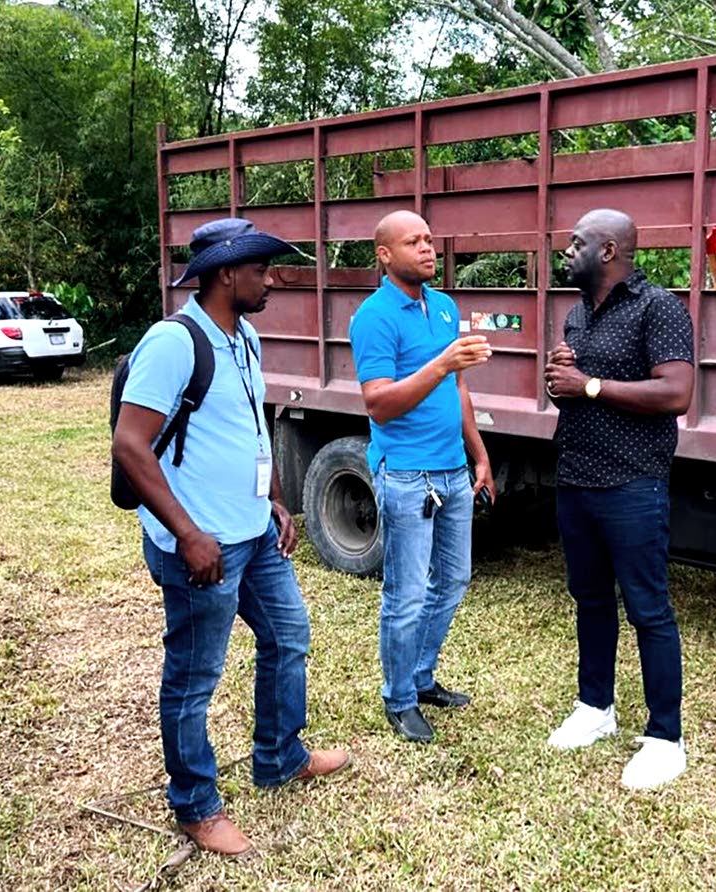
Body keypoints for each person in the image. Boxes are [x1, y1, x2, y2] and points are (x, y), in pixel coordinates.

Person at [113, 218, 350, 856]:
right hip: (202, 547)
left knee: (289, 636)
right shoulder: (173, 342)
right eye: (259, 270)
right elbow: (130, 445)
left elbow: (246, 426)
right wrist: (188, 534)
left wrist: (273, 497)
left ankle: (278, 755)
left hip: (251, 532)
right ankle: (194, 804)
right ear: (226, 275)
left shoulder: (242, 334)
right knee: (194, 677)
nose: (270, 280)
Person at [543, 208, 694, 790]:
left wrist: (591, 384)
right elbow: (574, 397)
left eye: (575, 244)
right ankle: (594, 708)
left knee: (648, 609)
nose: (566, 252)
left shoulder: (658, 307)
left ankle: (665, 738)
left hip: (633, 482)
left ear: (607, 251)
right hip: (576, 478)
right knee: (589, 600)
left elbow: (676, 392)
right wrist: (564, 382)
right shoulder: (577, 314)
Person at [349, 210, 495, 744]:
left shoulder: (445, 306)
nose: (428, 248)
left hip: (453, 471)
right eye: (414, 242)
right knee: (407, 593)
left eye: (431, 239)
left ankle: (421, 676)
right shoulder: (374, 317)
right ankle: (400, 698)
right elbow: (379, 404)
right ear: (386, 255)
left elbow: (456, 390)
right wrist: (440, 363)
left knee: (453, 580)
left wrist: (478, 454)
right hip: (408, 475)